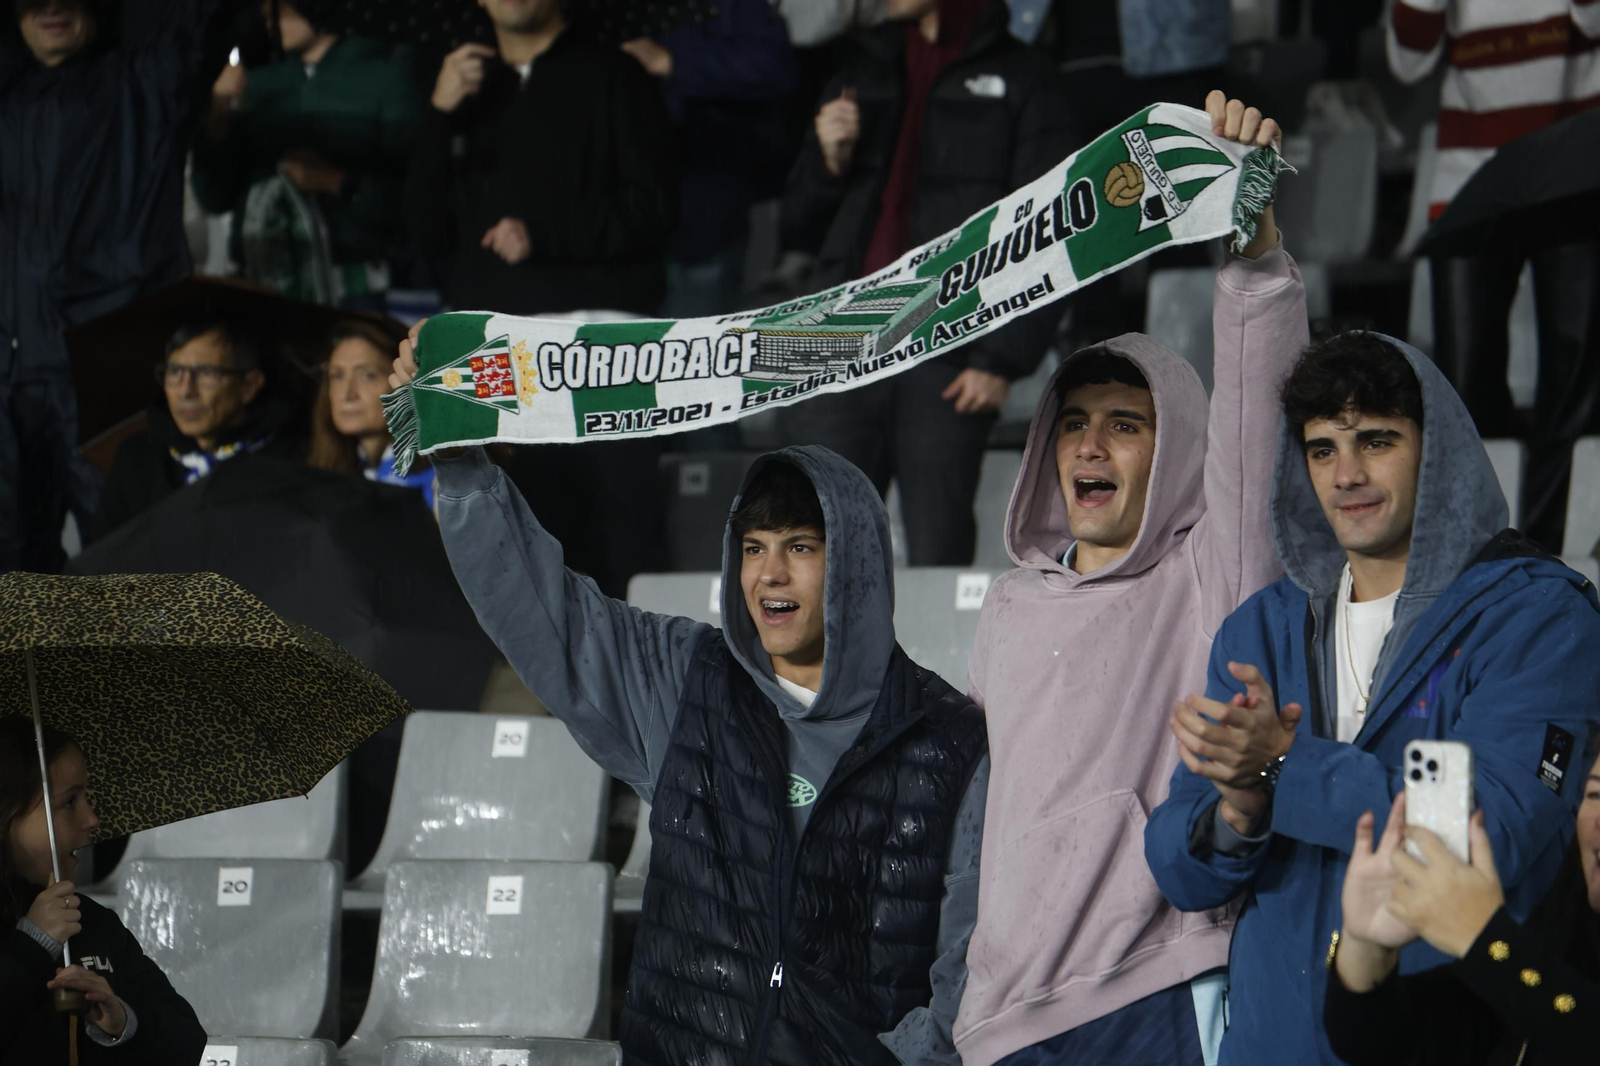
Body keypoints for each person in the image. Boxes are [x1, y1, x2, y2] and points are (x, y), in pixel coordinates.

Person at [391, 332, 989, 1066]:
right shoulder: (688, 681)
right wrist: (460, 462)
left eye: (800, 547)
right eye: (752, 547)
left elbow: (972, 958)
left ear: (858, 563)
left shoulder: (949, 739)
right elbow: (550, 616)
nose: (770, 574)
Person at [952, 95, 1303, 1066]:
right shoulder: (1009, 604)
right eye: (1072, 422)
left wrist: (1252, 248)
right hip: (1000, 1018)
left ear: (1176, 450)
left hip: (1150, 990)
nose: (1091, 445)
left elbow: (1254, 418)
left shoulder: (1206, 569)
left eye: (1126, 422)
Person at [1144, 327, 1600, 1064]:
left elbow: (1488, 834)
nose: (1345, 474)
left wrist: (1285, 768)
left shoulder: (1542, 617)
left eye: (1377, 441)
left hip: (1441, 1039)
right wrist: (1239, 809)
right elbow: (1179, 867)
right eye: (1323, 449)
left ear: (1437, 451)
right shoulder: (1261, 626)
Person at [777, 0, 1080, 565]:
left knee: (936, 545)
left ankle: (928, 659)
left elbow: (1055, 227)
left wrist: (1001, 359)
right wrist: (828, 161)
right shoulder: (859, 70)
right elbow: (797, 226)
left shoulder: (1026, 77)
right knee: (815, 546)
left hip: (945, 346)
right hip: (840, 342)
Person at [404, 0, 677, 598]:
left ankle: (649, 689)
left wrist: (543, 233)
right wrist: (438, 114)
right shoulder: (459, 88)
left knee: (618, 549)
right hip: (495, 344)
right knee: (519, 560)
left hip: (604, 339)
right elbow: (422, 233)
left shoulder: (614, 73)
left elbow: (654, 210)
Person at [0, 0, 246, 571]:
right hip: (8, 379)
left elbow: (199, 20)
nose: (51, 7)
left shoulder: (146, 86)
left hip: (108, 378)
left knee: (125, 566)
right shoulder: (7, 95)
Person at [1388, 0, 1600, 550]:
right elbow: (1407, 63)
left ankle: (1555, 555)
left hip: (1574, 172)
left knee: (1575, 387)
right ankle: (1484, 550)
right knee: (1464, 384)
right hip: (1470, 175)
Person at [1324, 765, 1600, 1065]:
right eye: (1596, 793)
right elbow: (1381, 1043)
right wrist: (1366, 946)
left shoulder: (1521, 960)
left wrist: (1485, 937)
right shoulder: (1563, 938)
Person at [1, 719, 207, 1064]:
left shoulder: (93, 923)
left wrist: (122, 1022)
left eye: (87, 798)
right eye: (69, 802)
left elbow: (186, 1040)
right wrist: (31, 946)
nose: (92, 819)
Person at [192, 0, 423, 307]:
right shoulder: (253, 85)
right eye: (265, 11)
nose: (269, 19)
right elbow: (214, 197)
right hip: (260, 280)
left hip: (351, 285)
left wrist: (336, 181)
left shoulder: (385, 80)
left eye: (281, 9)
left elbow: (415, 200)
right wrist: (217, 116)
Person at [621, 0, 798, 319]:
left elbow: (775, 66)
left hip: (701, 217)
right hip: (607, 230)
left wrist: (672, 61)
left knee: (694, 359)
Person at [93, 318, 303, 539]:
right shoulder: (136, 460)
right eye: (174, 372)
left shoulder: (294, 460)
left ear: (249, 386)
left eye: (205, 374)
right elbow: (104, 563)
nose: (185, 391)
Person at [306, 319, 433, 504]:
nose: (348, 394)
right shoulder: (320, 470)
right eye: (337, 375)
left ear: (404, 380)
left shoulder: (441, 476)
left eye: (367, 376)